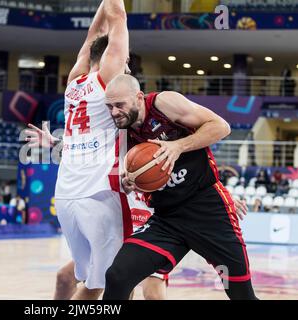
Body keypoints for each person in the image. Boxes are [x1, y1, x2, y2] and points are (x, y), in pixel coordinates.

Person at [26, 0, 168, 300]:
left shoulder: (73, 83)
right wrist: (112, 7)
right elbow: (117, 16)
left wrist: (104, 8)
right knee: (117, 280)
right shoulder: (109, 81)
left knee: (94, 281)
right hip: (99, 195)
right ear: (109, 58)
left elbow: (93, 34)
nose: (125, 62)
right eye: (123, 57)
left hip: (66, 195)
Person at [102, 74, 257, 300]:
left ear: (138, 97)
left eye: (119, 105)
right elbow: (129, 184)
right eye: (109, 106)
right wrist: (130, 183)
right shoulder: (123, 132)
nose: (114, 112)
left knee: (242, 296)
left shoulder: (163, 104)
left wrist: (178, 146)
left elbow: (221, 127)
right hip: (167, 219)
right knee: (117, 275)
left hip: (208, 210)